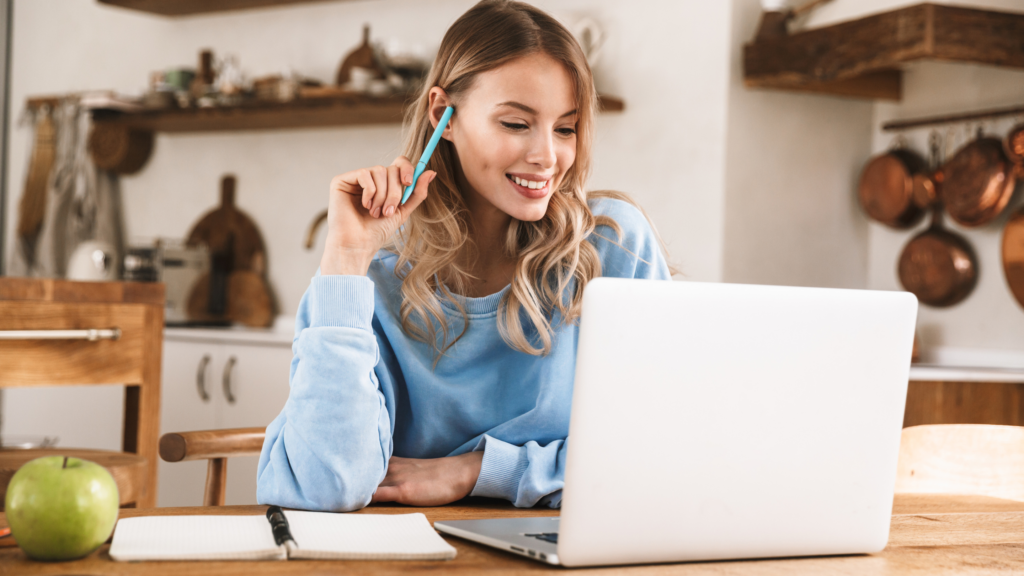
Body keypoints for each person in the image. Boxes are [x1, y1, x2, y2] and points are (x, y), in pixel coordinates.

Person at [256, 0, 673, 512]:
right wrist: (345, 257)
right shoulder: (372, 281)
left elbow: (658, 455)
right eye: (517, 123)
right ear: (443, 116)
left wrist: (476, 471)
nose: (547, 156)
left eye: (565, 128)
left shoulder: (611, 246)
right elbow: (326, 486)